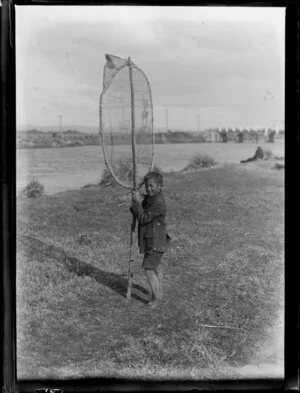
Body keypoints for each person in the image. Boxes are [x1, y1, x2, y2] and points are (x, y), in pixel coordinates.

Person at [130, 171, 170, 308]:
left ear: (160, 186)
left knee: (148, 269)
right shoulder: (152, 197)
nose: (149, 189)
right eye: (147, 186)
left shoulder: (158, 202)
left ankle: (155, 299)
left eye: (152, 186)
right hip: (152, 240)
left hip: (156, 241)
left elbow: (143, 217)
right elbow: (143, 202)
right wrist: (136, 199)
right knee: (154, 267)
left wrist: (137, 203)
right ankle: (160, 292)